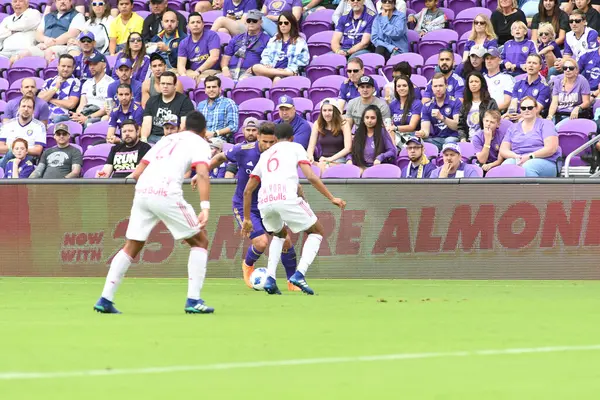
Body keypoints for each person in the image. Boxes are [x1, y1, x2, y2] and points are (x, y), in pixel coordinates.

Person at [94, 111, 215, 314]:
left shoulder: (166, 140)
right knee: (200, 241)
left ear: (184, 127)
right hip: (166, 192)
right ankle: (193, 300)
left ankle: (105, 298)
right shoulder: (200, 142)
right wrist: (205, 207)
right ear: (204, 131)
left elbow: (138, 172)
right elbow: (202, 172)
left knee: (132, 245)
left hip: (142, 191)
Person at [241, 122, 346, 295]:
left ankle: (270, 278)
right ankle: (299, 274)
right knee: (317, 231)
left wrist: (246, 219)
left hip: (265, 201)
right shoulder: (296, 147)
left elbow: (247, 191)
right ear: (291, 138)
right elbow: (311, 176)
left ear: (275, 139)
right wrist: (331, 197)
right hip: (285, 197)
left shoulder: (266, 154)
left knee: (279, 234)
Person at [201, 121, 301, 291]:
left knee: (286, 242)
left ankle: (292, 281)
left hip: (268, 204)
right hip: (244, 205)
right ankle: (248, 266)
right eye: (265, 142)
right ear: (258, 138)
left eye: (272, 142)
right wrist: (202, 173)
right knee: (261, 243)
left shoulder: (279, 155)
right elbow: (219, 158)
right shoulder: (243, 150)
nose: (268, 146)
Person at [500, 96, 560, 177]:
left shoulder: (546, 124)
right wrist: (516, 156)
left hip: (544, 160)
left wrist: (530, 156)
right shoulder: (513, 127)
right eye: (523, 108)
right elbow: (503, 150)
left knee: (527, 167)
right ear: (520, 110)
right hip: (518, 158)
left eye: (530, 108)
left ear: (536, 109)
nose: (526, 110)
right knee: (506, 166)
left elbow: (551, 148)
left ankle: (532, 190)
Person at [251, 12, 309, 82]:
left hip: (289, 71)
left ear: (292, 24)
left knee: (277, 79)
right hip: (272, 69)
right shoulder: (274, 39)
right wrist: (267, 64)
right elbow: (265, 54)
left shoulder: (300, 41)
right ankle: (282, 73)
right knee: (255, 67)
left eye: (286, 23)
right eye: (280, 23)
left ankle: (284, 73)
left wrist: (288, 70)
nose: (283, 25)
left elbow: (303, 60)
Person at [142, 71, 195, 144]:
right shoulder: (152, 101)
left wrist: (169, 139)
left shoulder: (185, 101)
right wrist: (144, 139)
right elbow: (146, 123)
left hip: (175, 138)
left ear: (175, 86)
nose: (165, 86)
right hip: (153, 138)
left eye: (169, 84)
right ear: (159, 85)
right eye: (163, 83)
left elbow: (184, 126)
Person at [220, 10, 270, 81]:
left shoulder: (267, 39)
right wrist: (225, 68)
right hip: (230, 70)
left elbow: (268, 59)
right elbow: (226, 57)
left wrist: (256, 69)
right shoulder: (236, 38)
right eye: (249, 20)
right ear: (245, 22)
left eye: (254, 20)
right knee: (212, 81)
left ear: (261, 22)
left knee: (243, 81)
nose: (251, 23)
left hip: (250, 72)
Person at [307, 98, 352, 174]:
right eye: (324, 110)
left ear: (335, 111)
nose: (327, 113)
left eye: (330, 110)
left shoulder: (344, 124)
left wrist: (330, 159)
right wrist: (310, 156)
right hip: (323, 160)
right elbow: (311, 146)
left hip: (339, 160)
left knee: (322, 167)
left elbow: (348, 148)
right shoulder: (317, 124)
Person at [417, 73, 462, 150]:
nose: (438, 89)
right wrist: (422, 133)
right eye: (435, 86)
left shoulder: (456, 102)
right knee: (420, 143)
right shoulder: (427, 106)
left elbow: (457, 126)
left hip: (452, 137)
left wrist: (442, 117)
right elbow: (426, 131)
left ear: (446, 86)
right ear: (431, 88)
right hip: (436, 139)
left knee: (449, 142)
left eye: (441, 86)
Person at [346, 105, 397, 173]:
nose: (369, 120)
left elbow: (392, 151)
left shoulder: (382, 132)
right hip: (362, 167)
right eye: (367, 117)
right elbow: (352, 152)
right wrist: (349, 159)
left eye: (372, 118)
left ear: (377, 119)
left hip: (378, 168)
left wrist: (380, 157)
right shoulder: (358, 132)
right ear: (363, 119)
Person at [0, 97, 46, 169]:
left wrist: (21, 150)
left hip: (28, 157)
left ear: (33, 110)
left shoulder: (39, 126)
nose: (26, 109)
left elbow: (38, 151)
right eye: (23, 106)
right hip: (6, 156)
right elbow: (0, 147)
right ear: (18, 108)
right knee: (10, 154)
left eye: (29, 107)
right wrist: (15, 149)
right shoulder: (7, 124)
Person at [70, 52, 113, 128]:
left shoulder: (111, 83)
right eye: (90, 64)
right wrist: (78, 115)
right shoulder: (87, 83)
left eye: (95, 64)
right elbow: (82, 104)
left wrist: (88, 117)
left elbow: (106, 109)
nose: (91, 67)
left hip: (99, 115)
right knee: (65, 120)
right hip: (86, 112)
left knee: (88, 123)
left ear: (104, 65)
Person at [38, 54, 82, 124]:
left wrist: (49, 99)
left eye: (69, 67)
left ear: (73, 68)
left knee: (57, 119)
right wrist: (56, 88)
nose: (65, 69)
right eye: (63, 66)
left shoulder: (76, 82)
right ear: (58, 66)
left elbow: (71, 104)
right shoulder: (49, 81)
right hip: (45, 115)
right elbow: (40, 100)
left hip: (61, 116)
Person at [177, 12, 221, 82]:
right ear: (188, 26)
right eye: (192, 22)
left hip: (211, 71)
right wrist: (184, 76)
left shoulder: (212, 36)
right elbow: (180, 64)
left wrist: (198, 71)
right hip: (192, 72)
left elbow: (214, 57)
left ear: (203, 24)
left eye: (198, 22)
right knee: (174, 77)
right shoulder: (184, 42)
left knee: (199, 79)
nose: (195, 25)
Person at [506, 54, 551, 119]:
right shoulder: (518, 83)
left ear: (540, 66)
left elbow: (537, 110)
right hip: (517, 116)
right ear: (525, 65)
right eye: (529, 62)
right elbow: (513, 104)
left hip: (533, 118)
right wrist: (510, 115)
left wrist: (520, 116)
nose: (531, 65)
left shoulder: (544, 87)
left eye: (534, 63)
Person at [458, 71, 498, 142]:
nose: (473, 84)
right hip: (468, 140)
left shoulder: (491, 103)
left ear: (481, 84)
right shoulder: (465, 104)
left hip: (485, 140)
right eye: (471, 82)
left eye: (476, 81)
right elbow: (461, 126)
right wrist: (463, 138)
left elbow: (494, 123)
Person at [196, 75, 239, 141]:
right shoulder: (201, 105)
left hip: (221, 140)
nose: (211, 90)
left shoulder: (229, 103)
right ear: (205, 90)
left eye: (214, 87)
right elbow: (197, 125)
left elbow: (233, 127)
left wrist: (215, 133)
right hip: (203, 139)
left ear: (220, 89)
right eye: (208, 87)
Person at [386, 75, 422, 147]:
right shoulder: (393, 104)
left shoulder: (417, 103)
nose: (401, 88)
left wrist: (396, 128)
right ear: (395, 89)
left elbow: (412, 126)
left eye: (404, 86)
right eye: (399, 86)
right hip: (396, 136)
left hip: (412, 136)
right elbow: (388, 123)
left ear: (409, 87)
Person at [484, 47, 514, 112]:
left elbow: (506, 102)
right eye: (487, 59)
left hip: (498, 113)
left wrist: (488, 110)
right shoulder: (481, 78)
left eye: (492, 58)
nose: (489, 61)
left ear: (499, 60)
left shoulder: (507, 78)